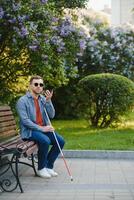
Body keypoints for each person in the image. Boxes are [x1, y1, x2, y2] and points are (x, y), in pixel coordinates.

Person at [16, 75, 65, 178]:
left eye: (41, 84)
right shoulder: (22, 101)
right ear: (30, 86)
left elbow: (51, 115)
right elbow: (25, 121)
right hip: (29, 131)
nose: (39, 86)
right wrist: (42, 128)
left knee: (60, 141)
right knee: (45, 141)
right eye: (36, 84)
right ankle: (41, 168)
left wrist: (48, 101)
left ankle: (48, 166)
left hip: (43, 129)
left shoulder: (43, 99)